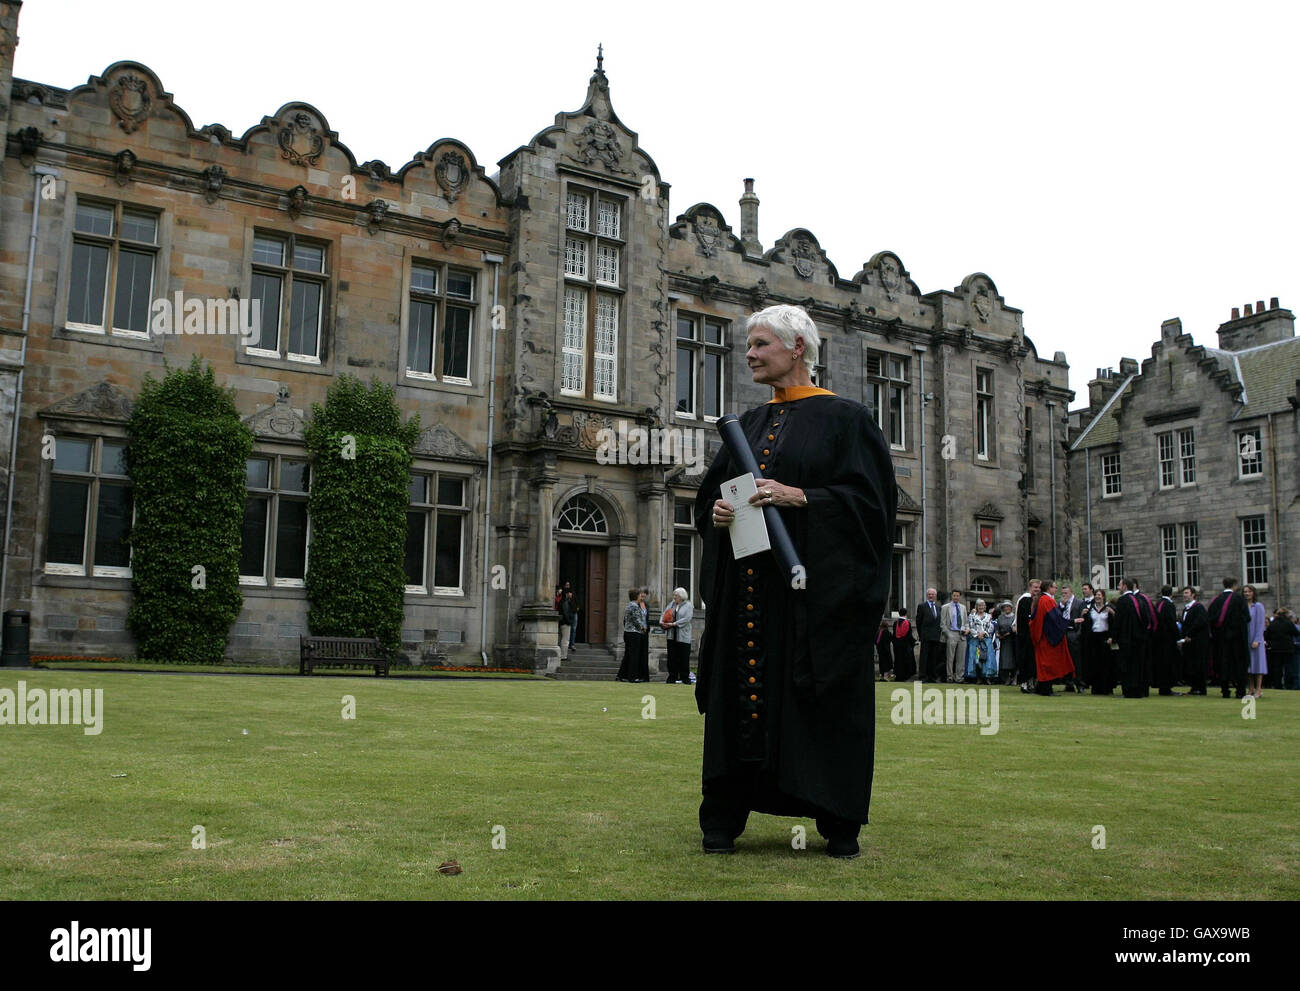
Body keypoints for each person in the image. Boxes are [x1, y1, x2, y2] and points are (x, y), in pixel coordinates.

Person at [696, 303, 896, 859]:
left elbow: (873, 511)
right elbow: (715, 494)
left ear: (797, 348)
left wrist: (799, 496)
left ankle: (837, 820)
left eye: (761, 344)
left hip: (814, 606)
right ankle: (723, 819)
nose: (751, 354)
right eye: (750, 344)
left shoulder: (849, 420)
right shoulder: (749, 424)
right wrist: (717, 512)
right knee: (740, 703)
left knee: (817, 703)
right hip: (749, 603)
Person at [1027, 579, 1074, 695]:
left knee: (1043, 664)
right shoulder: (1047, 600)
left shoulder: (1042, 599)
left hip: (1042, 636)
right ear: (1049, 588)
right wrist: (1071, 622)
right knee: (1047, 664)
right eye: (1055, 587)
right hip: (1047, 638)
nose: (1056, 589)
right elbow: (1055, 619)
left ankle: (1041, 688)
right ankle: (1046, 689)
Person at [1208, 578, 1250, 699]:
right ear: (1235, 585)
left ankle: (1225, 689)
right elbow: (1246, 618)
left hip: (1220, 640)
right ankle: (1240, 691)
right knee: (1238, 664)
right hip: (1237, 639)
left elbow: (1211, 619)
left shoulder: (1216, 600)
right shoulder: (1239, 599)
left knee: (1223, 663)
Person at [1112, 577, 1150, 698]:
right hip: (1139, 639)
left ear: (1125, 587)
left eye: (1119, 585)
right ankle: (1138, 690)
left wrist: (1114, 637)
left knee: (1126, 666)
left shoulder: (1122, 601)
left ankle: (1128, 691)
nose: (1118, 588)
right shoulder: (1139, 600)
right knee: (1137, 665)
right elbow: (1146, 619)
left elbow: (1118, 621)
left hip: (1126, 639)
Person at [1177, 587, 1210, 695]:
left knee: (1199, 664)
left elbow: (1200, 622)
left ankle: (1201, 688)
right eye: (1184, 593)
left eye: (1187, 593)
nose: (1184, 595)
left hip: (1197, 641)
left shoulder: (1198, 607)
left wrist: (1190, 634)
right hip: (1189, 641)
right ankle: (1194, 686)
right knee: (1191, 665)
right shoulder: (1186, 608)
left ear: (1193, 594)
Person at [1083, 588, 1116, 695]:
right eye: (1096, 595)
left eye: (1099, 595)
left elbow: (1114, 623)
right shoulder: (1090, 609)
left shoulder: (1108, 609)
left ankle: (1107, 687)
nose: (1097, 597)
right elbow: (1086, 624)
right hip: (1094, 638)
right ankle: (1096, 688)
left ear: (1103, 597)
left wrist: (1112, 637)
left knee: (1106, 663)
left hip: (1105, 638)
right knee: (1094, 663)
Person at [1152, 585, 1181, 696]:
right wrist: (1177, 637)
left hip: (1158, 639)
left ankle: (1162, 686)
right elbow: (1171, 623)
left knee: (1161, 663)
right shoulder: (1169, 605)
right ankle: (1166, 688)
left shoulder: (1158, 603)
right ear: (1171, 594)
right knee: (1168, 663)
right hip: (1167, 639)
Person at [662, 587, 694, 684]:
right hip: (672, 635)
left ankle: (685, 677)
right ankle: (672, 676)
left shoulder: (688, 605)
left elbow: (687, 618)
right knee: (671, 657)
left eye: (676, 595)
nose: (674, 597)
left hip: (683, 636)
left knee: (683, 657)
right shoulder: (672, 604)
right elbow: (664, 614)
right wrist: (662, 622)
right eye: (674, 595)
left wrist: (674, 624)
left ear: (681, 596)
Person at [1058, 583, 1087, 691]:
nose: (1064, 595)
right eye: (1062, 593)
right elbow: (1058, 617)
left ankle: (1079, 683)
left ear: (1071, 592)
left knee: (1076, 660)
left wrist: (1077, 632)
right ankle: (1068, 682)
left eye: (1066, 593)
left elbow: (1082, 619)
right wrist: (1061, 606)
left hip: (1074, 633)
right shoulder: (1060, 604)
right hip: (1063, 633)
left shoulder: (1079, 603)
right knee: (1065, 660)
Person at [1263, 607, 1296, 698]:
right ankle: (1288, 684)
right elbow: (1296, 633)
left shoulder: (1273, 624)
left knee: (1277, 667)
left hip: (1275, 648)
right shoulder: (1289, 623)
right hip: (1288, 648)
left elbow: (1267, 635)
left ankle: (1277, 684)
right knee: (1288, 667)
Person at [1014, 580, 1040, 689]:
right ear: (1030, 587)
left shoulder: (1037, 600)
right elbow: (1023, 618)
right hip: (1025, 636)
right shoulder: (1025, 600)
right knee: (1025, 660)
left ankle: (1032, 682)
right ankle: (1024, 683)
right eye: (1035, 587)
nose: (1037, 589)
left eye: (1039, 587)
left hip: (1033, 636)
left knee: (1033, 661)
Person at [963, 598, 996, 684]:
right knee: (976, 659)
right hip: (975, 640)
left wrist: (984, 633)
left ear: (985, 607)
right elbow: (970, 627)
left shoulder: (989, 616)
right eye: (979, 605)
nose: (981, 607)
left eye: (983, 605)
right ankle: (978, 678)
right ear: (976, 607)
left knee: (987, 659)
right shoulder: (972, 616)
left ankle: (987, 677)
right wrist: (978, 634)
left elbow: (991, 627)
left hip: (986, 640)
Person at [1243, 584, 1267, 699]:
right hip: (1246, 639)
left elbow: (1260, 624)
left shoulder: (1258, 606)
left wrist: (1257, 639)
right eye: (1245, 592)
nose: (1246, 593)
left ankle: (1259, 689)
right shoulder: (1243, 606)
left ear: (1253, 593)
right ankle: (1251, 688)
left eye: (1249, 591)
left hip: (1256, 639)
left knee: (1258, 665)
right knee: (1248, 665)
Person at [618, 588, 647, 683]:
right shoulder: (634, 606)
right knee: (634, 655)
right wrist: (642, 627)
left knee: (628, 655)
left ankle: (622, 675)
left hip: (628, 632)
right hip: (634, 633)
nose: (641, 597)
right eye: (639, 595)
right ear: (636, 596)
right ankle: (632, 676)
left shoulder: (629, 605)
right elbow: (636, 619)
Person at [915, 588, 944, 682]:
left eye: (933, 594)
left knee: (934, 657)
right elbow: (918, 622)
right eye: (929, 594)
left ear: (935, 596)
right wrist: (921, 635)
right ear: (927, 595)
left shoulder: (939, 607)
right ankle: (923, 676)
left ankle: (932, 676)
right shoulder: (922, 606)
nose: (931, 596)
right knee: (924, 657)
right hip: (926, 636)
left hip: (936, 637)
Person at [940, 590, 968, 683]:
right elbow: (942, 624)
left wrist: (967, 629)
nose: (956, 597)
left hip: (962, 634)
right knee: (950, 657)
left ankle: (959, 677)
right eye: (954, 595)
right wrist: (948, 634)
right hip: (951, 632)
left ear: (960, 597)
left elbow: (966, 622)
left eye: (957, 596)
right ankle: (950, 676)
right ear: (951, 596)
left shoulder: (963, 608)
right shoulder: (945, 607)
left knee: (961, 658)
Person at [995, 601, 1017, 685]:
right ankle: (1007, 678)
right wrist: (998, 634)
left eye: (1008, 607)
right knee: (1004, 661)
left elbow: (1015, 627)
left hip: (1012, 641)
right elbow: (997, 627)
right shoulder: (1000, 617)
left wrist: (1010, 632)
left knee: (1013, 660)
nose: (1006, 608)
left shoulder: (1014, 617)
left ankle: (1014, 677)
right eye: (1005, 607)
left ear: (1011, 608)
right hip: (1004, 641)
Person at [893, 608, 916, 683]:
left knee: (898, 660)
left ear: (899, 613)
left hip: (897, 645)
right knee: (904, 661)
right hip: (905, 645)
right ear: (906, 614)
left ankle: (898, 676)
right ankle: (904, 676)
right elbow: (909, 635)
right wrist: (914, 642)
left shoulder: (895, 623)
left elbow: (894, 635)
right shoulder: (907, 623)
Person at [558, 590, 577, 660]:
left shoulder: (563, 601)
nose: (571, 594)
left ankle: (561, 655)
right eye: (570, 593)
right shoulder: (565, 602)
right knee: (565, 640)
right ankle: (563, 656)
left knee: (562, 639)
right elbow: (565, 613)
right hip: (565, 623)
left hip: (562, 622)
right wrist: (569, 622)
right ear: (567, 594)